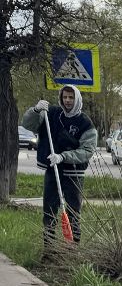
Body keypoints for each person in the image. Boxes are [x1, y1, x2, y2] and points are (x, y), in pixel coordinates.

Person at [21, 86, 97, 251]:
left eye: (71, 97)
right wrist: (35, 111)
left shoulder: (85, 123)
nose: (67, 100)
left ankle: (72, 250)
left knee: (73, 212)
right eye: (65, 97)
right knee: (49, 211)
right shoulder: (51, 114)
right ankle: (49, 250)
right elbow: (27, 124)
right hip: (52, 171)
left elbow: (87, 151)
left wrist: (63, 156)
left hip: (74, 174)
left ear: (77, 99)